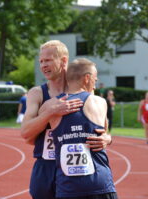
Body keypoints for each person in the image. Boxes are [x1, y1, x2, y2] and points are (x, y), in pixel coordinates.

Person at [20, 40, 112, 199]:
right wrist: (51, 112)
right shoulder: (37, 94)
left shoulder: (84, 92)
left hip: (78, 170)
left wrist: (107, 139)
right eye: (41, 61)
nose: (43, 65)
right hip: (47, 166)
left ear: (63, 61)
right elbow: (26, 132)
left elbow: (103, 128)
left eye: (48, 60)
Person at [48, 58, 117, 199]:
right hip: (100, 184)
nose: (95, 86)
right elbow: (104, 132)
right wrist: (108, 139)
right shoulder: (100, 102)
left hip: (67, 187)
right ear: (87, 78)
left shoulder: (49, 106)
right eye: (95, 80)